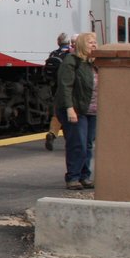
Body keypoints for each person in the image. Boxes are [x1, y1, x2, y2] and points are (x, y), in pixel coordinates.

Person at [54, 31, 98, 190]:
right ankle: (73, 177)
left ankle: (84, 176)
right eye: (90, 42)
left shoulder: (93, 63)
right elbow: (65, 87)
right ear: (80, 45)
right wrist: (69, 109)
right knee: (77, 143)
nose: (94, 45)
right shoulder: (71, 61)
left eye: (95, 42)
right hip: (76, 109)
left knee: (87, 144)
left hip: (91, 110)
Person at [43, 33, 72, 150]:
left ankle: (52, 133)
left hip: (55, 88)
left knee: (57, 113)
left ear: (58, 42)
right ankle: (69, 140)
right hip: (68, 89)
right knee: (70, 114)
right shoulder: (70, 54)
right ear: (69, 43)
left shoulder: (53, 53)